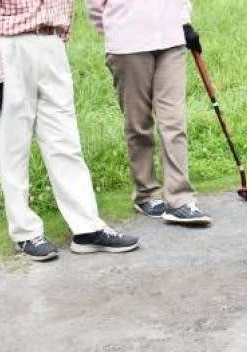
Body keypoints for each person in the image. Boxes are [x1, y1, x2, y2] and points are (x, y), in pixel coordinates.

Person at [0, 0, 140, 262]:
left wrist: (60, 36)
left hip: (50, 43)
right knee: (11, 147)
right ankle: (25, 232)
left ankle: (87, 229)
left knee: (65, 141)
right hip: (8, 45)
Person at [86, 0, 212, 226]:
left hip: (171, 39)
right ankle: (146, 193)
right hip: (127, 44)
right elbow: (95, 6)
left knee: (174, 121)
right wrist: (116, 30)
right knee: (138, 122)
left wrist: (184, 23)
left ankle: (180, 199)